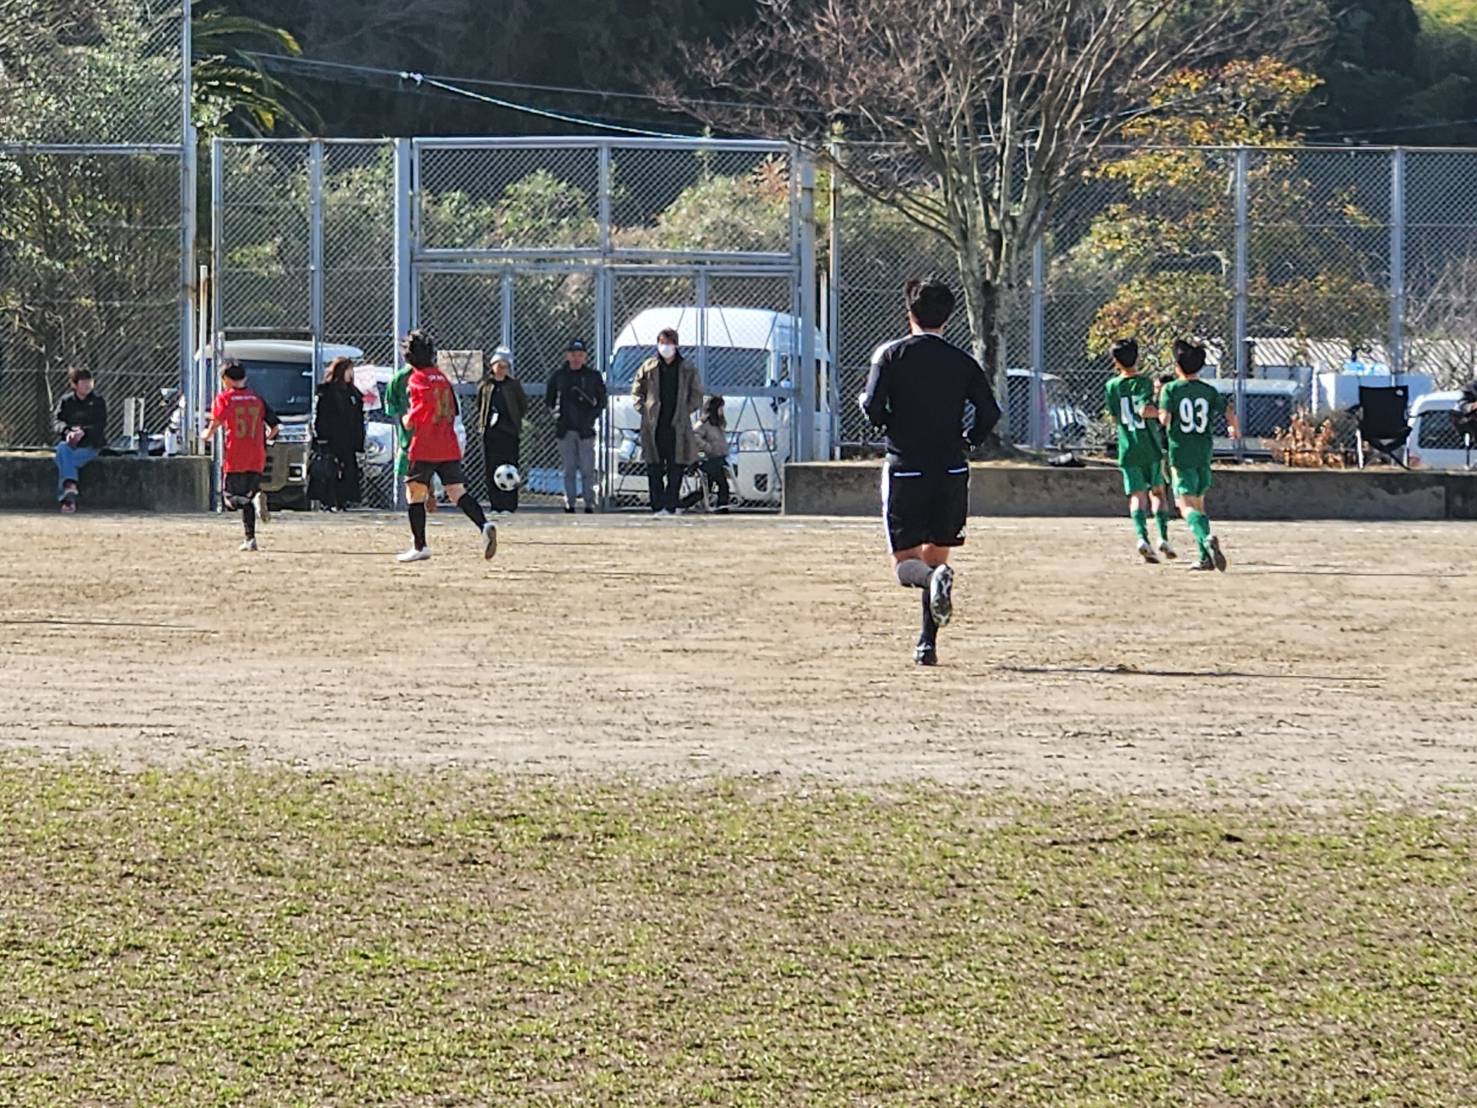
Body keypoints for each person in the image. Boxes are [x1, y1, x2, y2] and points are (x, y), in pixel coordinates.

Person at [860, 277, 1001, 667]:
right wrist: (969, 441)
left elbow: (873, 407)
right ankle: (927, 643)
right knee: (936, 556)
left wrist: (886, 421)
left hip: (906, 467)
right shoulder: (962, 361)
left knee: (907, 564)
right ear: (948, 318)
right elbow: (990, 412)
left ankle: (931, 584)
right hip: (951, 469)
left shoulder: (891, 355)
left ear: (909, 313)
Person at [396, 330, 497, 564]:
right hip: (448, 442)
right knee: (456, 491)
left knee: (414, 492)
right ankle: (484, 525)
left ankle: (420, 546)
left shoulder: (417, 378)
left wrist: (409, 419)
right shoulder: (442, 377)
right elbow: (453, 409)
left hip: (426, 443)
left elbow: (423, 406)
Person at [1158, 338, 1239, 572]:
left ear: (1177, 366)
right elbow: (1228, 410)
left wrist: (1160, 413)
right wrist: (1234, 428)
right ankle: (1205, 558)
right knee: (1200, 504)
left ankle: (1206, 539)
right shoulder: (1208, 390)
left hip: (1180, 452)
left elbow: (1165, 419)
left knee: (1185, 507)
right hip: (1203, 452)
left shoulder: (1171, 389)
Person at [1103, 338, 1177, 563]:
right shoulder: (1144, 382)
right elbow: (1144, 410)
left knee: (1137, 495)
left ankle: (1142, 538)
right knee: (1158, 492)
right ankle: (1162, 537)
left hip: (1127, 447)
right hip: (1150, 446)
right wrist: (1161, 413)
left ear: (1115, 361)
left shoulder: (1111, 386)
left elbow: (1115, 415)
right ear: (1138, 358)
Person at [200, 361, 280, 551]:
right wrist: (264, 440)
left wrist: (206, 435)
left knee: (230, 499)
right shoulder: (256, 398)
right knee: (247, 497)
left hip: (235, 455)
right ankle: (250, 539)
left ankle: (253, 502)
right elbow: (275, 427)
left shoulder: (224, 398)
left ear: (226, 380)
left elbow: (215, 423)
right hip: (257, 455)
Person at [631, 328, 702, 515]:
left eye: (669, 343)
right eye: (662, 342)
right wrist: (644, 409)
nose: (666, 347)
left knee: (676, 466)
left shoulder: (687, 368)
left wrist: (684, 411)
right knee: (653, 466)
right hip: (653, 426)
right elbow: (637, 390)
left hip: (677, 426)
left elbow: (696, 394)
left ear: (676, 345)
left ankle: (670, 506)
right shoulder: (649, 366)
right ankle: (657, 505)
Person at [546, 339, 607, 513]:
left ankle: (589, 502)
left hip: (585, 430)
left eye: (580, 355)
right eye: (573, 354)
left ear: (585, 356)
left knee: (588, 469)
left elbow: (602, 400)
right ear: (567, 355)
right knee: (569, 469)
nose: (576, 358)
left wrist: (591, 417)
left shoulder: (593, 376)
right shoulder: (559, 376)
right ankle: (570, 502)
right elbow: (549, 400)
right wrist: (557, 416)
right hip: (565, 429)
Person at [476, 346, 528, 515]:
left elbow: (522, 406)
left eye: (505, 366)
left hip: (509, 433)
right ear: (492, 366)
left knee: (510, 468)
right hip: (491, 433)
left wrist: (513, 422)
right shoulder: (485, 385)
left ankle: (509, 504)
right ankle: (495, 504)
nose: (501, 369)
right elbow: (480, 405)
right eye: (499, 365)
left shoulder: (513, 386)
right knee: (491, 468)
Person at [311, 356, 366, 511]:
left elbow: (358, 416)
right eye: (348, 370)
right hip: (331, 438)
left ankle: (343, 500)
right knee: (330, 470)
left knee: (348, 470)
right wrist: (321, 436)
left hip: (349, 439)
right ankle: (328, 500)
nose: (351, 373)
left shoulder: (353, 393)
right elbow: (321, 416)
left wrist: (359, 440)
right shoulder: (327, 391)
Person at [52, 367, 107, 513]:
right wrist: (68, 432)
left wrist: (83, 432)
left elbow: (100, 425)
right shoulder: (66, 401)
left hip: (90, 446)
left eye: (90, 382)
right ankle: (70, 492)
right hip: (71, 446)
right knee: (62, 448)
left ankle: (68, 496)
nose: (88, 385)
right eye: (83, 382)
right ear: (74, 384)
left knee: (62, 458)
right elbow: (57, 422)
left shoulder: (98, 402)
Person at [685, 395, 732, 512]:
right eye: (720, 408)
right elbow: (694, 435)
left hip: (718, 458)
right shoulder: (704, 424)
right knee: (722, 484)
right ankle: (722, 506)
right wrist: (706, 446)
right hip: (709, 460)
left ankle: (683, 503)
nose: (722, 411)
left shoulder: (719, 424)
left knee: (707, 489)